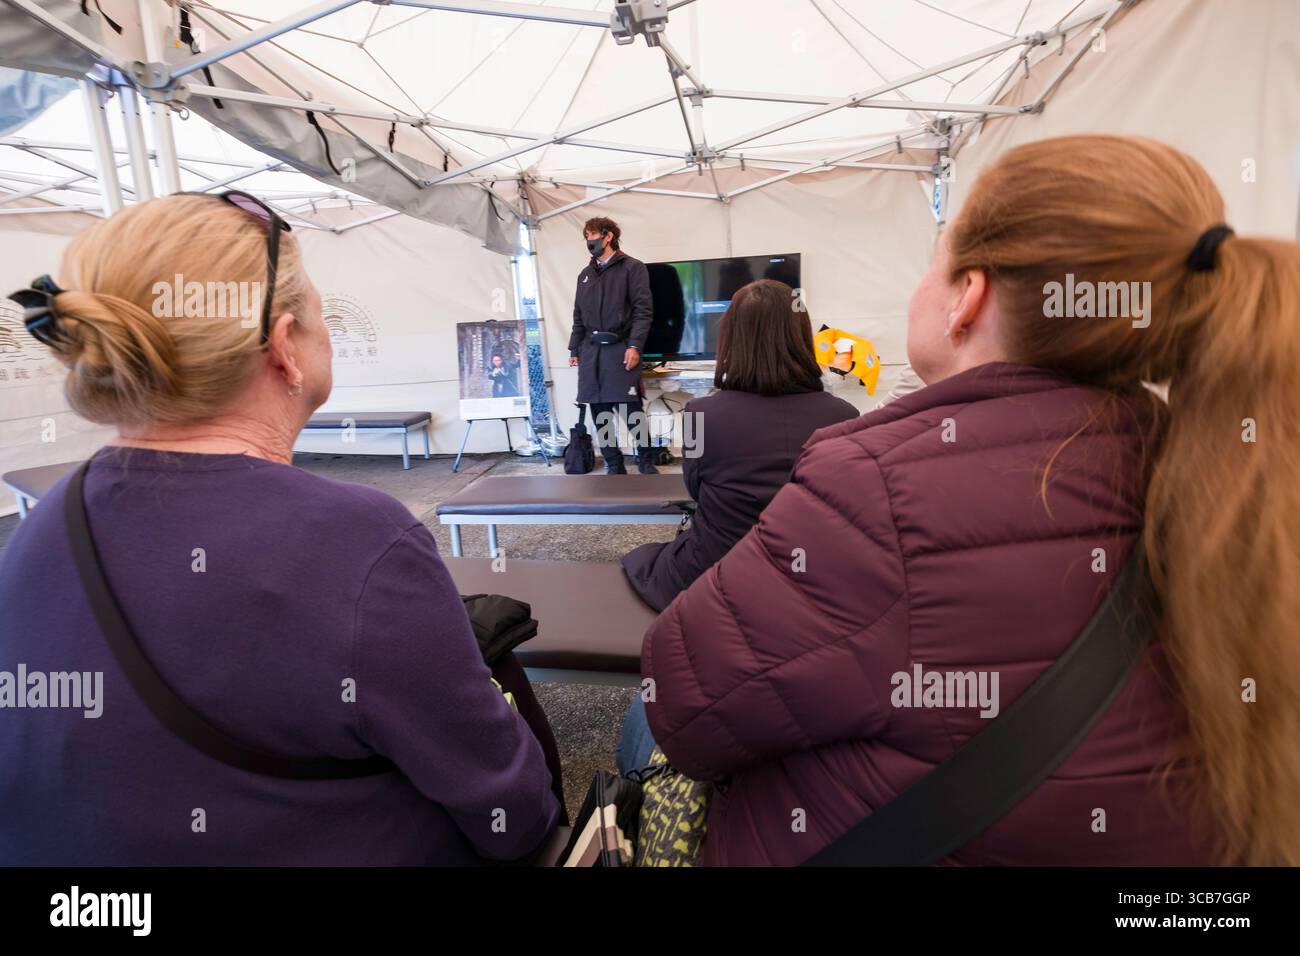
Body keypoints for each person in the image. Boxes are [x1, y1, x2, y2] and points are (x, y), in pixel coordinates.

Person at [639, 134, 1300, 866]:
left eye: (935, 257)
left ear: (968, 297)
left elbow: (679, 704)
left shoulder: (872, 487)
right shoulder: (1225, 472)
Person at [0, 193, 561, 865]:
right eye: (320, 313)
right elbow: (514, 816)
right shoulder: (356, 541)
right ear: (285, 348)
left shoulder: (41, 529)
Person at [621, 280, 858, 613]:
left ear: (731, 339)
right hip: (814, 577)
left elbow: (695, 490)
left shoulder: (698, 414)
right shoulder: (845, 416)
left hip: (719, 574)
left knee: (642, 559)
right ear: (802, 338)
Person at [568, 216, 657, 474]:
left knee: (631, 410)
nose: (589, 241)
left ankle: (646, 460)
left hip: (620, 348)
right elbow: (578, 315)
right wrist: (574, 349)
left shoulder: (632, 268)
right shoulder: (585, 275)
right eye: (586, 236)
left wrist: (635, 346)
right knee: (599, 410)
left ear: (608, 236)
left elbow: (643, 311)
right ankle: (614, 463)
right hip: (590, 350)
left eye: (593, 235)